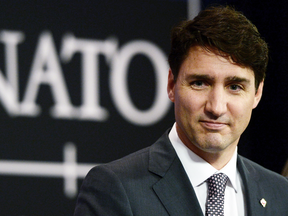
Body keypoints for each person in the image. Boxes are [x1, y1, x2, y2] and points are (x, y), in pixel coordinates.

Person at [74, 6, 288, 216]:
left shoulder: (280, 193)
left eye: (235, 87)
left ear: (257, 94)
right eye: (200, 83)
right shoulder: (116, 188)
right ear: (171, 85)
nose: (216, 107)